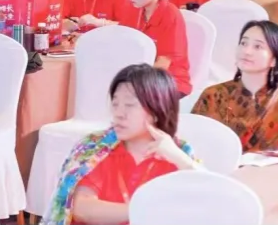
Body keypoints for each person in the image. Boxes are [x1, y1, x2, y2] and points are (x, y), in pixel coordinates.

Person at [43, 64, 199, 225]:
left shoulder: (178, 153)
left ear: (157, 109)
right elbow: (82, 209)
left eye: (129, 105)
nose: (119, 114)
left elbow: (209, 200)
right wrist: (143, 211)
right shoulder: (96, 148)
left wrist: (181, 160)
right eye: (115, 104)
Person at [192, 21, 278, 155]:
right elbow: (191, 138)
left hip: (269, 171)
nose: (246, 51)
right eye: (243, 43)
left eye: (257, 46)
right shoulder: (214, 95)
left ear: (274, 60)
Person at [127, 0, 192, 97]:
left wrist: (131, 82)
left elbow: (163, 64)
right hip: (139, 78)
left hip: (169, 82)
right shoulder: (134, 9)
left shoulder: (170, 15)